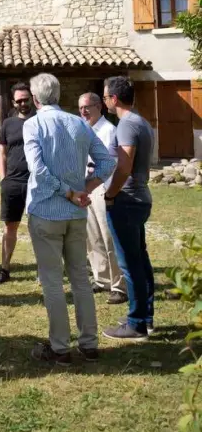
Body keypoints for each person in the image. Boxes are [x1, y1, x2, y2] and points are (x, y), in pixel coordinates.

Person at [23, 74, 116, 365]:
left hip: (47, 211)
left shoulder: (33, 124)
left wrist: (71, 192)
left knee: (52, 281)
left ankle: (60, 348)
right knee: (80, 278)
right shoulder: (78, 123)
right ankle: (89, 344)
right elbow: (108, 161)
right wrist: (84, 189)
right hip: (76, 213)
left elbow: (37, 169)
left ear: (35, 99)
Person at [101, 76, 155, 340]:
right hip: (140, 198)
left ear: (114, 99)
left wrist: (110, 194)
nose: (103, 101)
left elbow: (124, 166)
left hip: (126, 200)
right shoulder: (142, 122)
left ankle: (136, 324)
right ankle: (146, 317)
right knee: (140, 260)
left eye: (104, 96)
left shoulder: (126, 125)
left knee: (129, 264)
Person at [78, 92, 126, 306]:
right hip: (85, 185)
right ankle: (102, 278)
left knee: (108, 237)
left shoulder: (109, 131)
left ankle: (119, 285)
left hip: (102, 186)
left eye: (87, 107)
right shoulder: (81, 130)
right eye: (80, 108)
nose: (83, 111)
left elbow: (112, 164)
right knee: (92, 235)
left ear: (99, 107)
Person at [0, 82, 34, 286]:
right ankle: (5, 269)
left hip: (37, 183)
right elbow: (1, 152)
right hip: (13, 182)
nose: (23, 103)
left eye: (26, 99)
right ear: (13, 102)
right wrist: (3, 177)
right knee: (10, 227)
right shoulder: (8, 124)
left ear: (32, 98)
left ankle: (43, 270)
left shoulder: (39, 121)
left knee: (39, 228)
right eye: (19, 100)